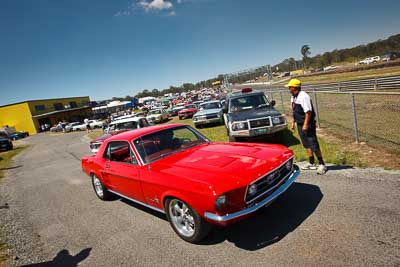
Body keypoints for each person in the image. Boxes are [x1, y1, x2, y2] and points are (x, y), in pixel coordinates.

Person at [285, 78, 327, 175]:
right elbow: (294, 110)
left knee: (313, 143)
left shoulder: (303, 96)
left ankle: (322, 164)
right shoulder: (293, 97)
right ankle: (312, 163)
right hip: (300, 124)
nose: (289, 89)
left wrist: (305, 125)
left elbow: (308, 112)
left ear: (294, 88)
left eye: (290, 87)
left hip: (307, 124)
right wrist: (293, 122)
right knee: (306, 144)